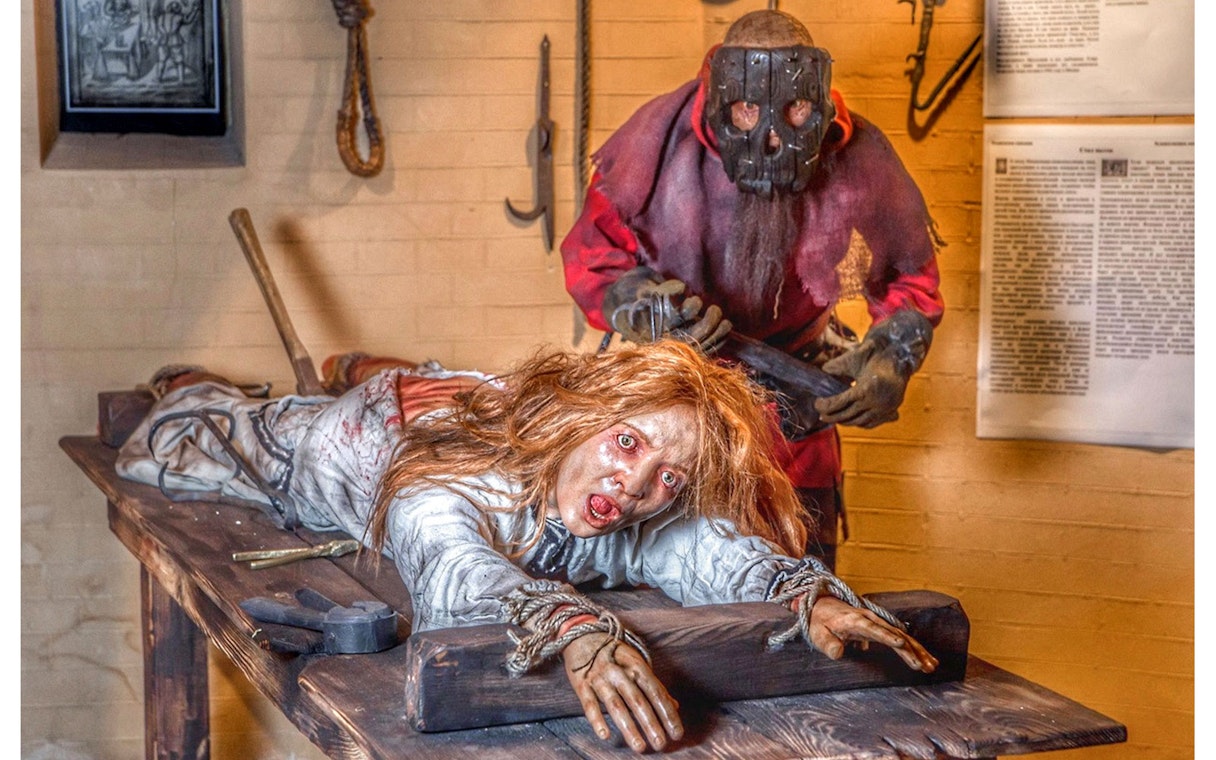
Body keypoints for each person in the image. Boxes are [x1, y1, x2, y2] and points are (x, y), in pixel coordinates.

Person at [116, 341, 938, 754]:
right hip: (353, 436)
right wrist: (574, 627)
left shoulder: (626, 496)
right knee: (184, 440)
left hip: (474, 396)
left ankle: (375, 359)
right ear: (589, 417)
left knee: (459, 383)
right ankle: (208, 384)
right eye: (626, 443)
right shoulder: (446, 484)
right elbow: (451, 571)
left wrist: (810, 594)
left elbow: (708, 551)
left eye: (667, 476)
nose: (638, 484)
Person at [560, 9, 946, 568]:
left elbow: (912, 276)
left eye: (794, 109)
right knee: (674, 577)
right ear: (719, 96)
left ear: (818, 98)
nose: (771, 134)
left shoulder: (856, 151)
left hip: (797, 409)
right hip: (679, 401)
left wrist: (893, 354)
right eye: (747, 110)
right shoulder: (655, 144)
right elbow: (595, 260)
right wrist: (642, 306)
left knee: (802, 578)